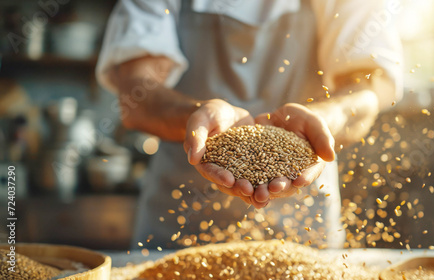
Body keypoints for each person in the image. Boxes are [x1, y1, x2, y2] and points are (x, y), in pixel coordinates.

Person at [96, 0, 402, 249]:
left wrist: (323, 120)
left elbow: (366, 88)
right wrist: (197, 115)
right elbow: (136, 95)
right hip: (179, 227)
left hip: (304, 227)